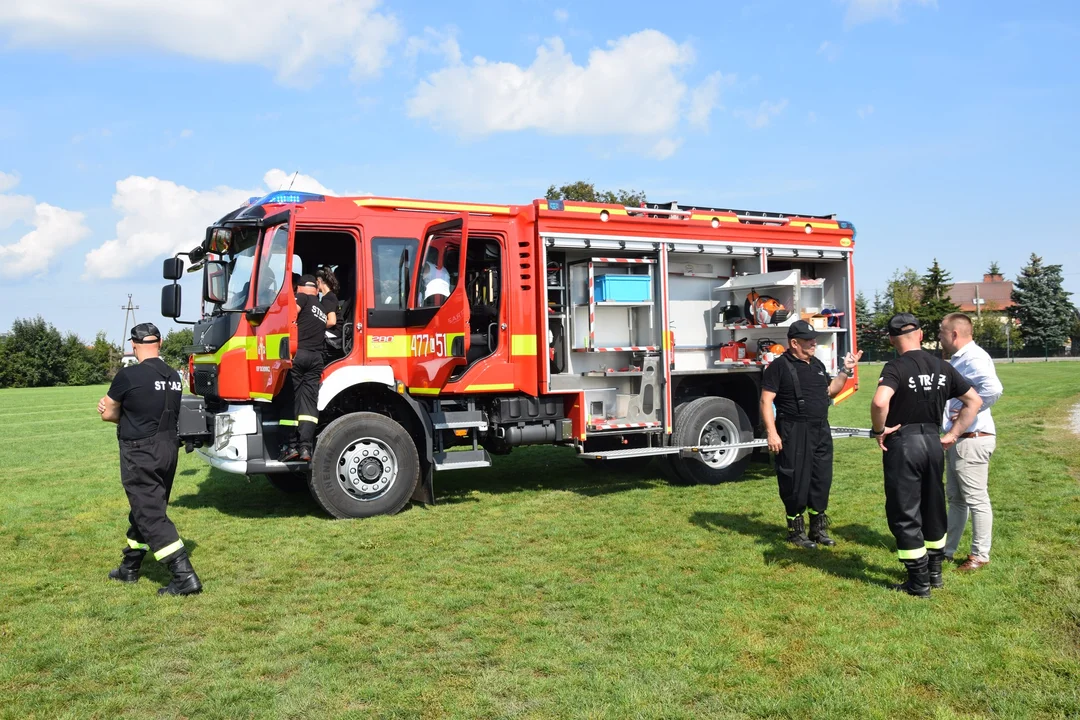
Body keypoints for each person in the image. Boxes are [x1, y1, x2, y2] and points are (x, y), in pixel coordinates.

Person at [870, 313, 981, 597]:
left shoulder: (895, 366)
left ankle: (918, 583)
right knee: (933, 506)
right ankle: (935, 574)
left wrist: (879, 429)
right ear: (920, 335)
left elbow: (880, 400)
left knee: (904, 510)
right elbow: (974, 401)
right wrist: (953, 434)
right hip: (934, 442)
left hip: (904, 444)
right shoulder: (941, 365)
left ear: (893, 339)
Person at [97, 323, 202, 596]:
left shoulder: (128, 375)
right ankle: (129, 567)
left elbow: (108, 413)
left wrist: (110, 409)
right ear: (161, 342)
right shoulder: (172, 376)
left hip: (140, 452)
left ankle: (184, 576)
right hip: (168, 449)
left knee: (150, 514)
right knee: (145, 508)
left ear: (133, 345)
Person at [760, 320, 863, 549]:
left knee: (821, 478)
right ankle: (796, 532)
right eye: (808, 340)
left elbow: (830, 391)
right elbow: (766, 401)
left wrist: (846, 369)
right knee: (795, 480)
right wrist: (772, 433)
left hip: (820, 428)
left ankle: (818, 529)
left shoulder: (816, 364)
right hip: (793, 429)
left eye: (814, 339)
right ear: (794, 343)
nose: (814, 342)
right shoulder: (779, 367)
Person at [938, 312, 1003, 573]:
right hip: (960, 439)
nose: (939, 337)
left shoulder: (974, 358)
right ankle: (948, 550)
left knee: (976, 499)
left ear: (954, 334)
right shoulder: (960, 358)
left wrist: (970, 411)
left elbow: (993, 389)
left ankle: (979, 555)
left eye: (941, 332)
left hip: (972, 439)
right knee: (956, 498)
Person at [280, 274, 327, 462]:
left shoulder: (302, 297)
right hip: (316, 359)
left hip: (299, 355)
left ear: (299, 288)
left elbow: (291, 314)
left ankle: (290, 447)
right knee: (308, 405)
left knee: (291, 400)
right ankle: (306, 449)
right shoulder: (321, 308)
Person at [316, 266, 340, 355]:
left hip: (333, 333)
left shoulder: (327, 299)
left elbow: (332, 321)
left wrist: (316, 326)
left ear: (318, 281)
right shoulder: (331, 296)